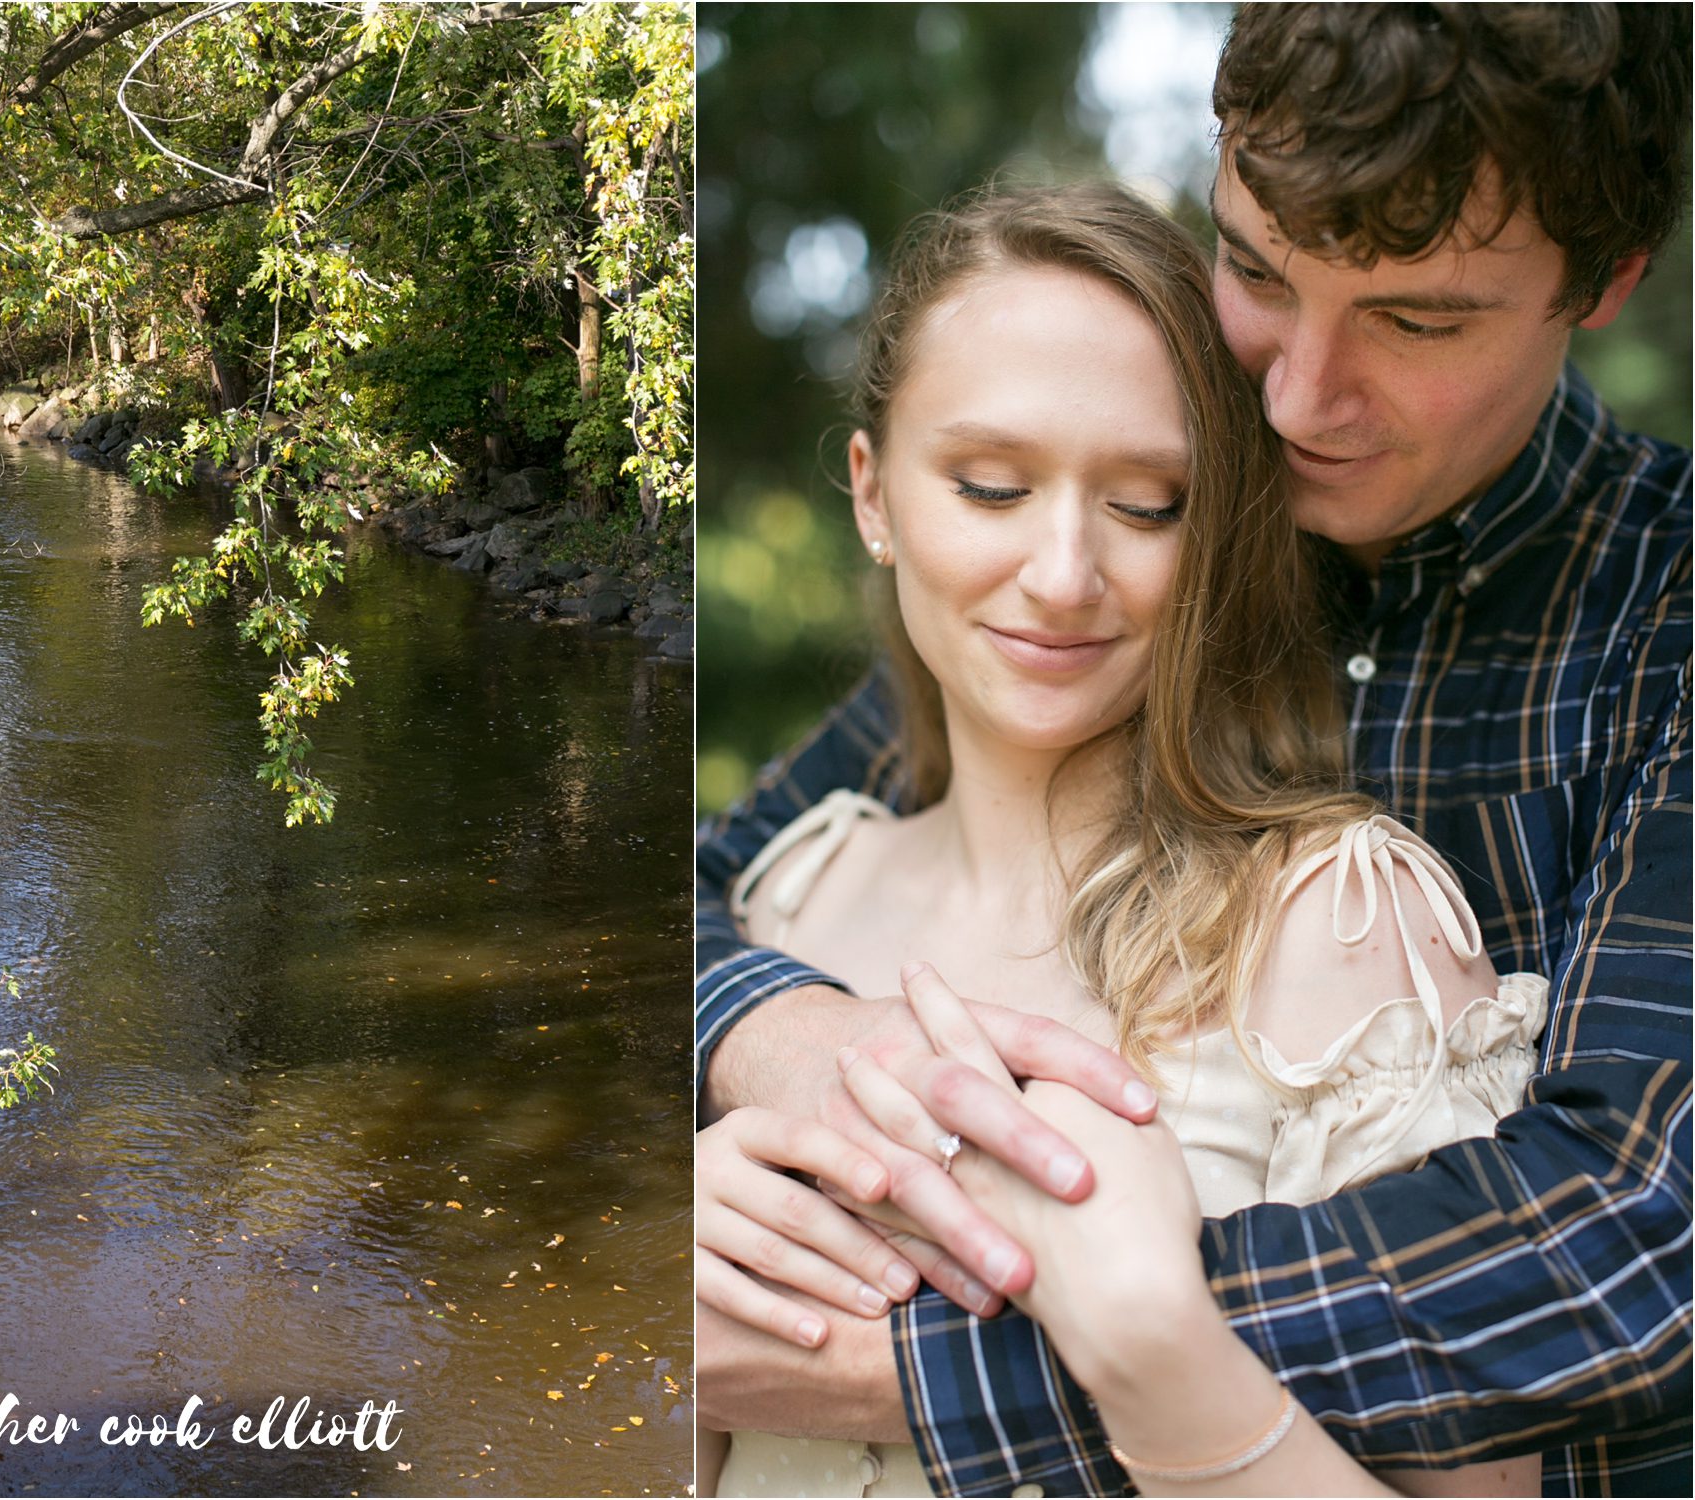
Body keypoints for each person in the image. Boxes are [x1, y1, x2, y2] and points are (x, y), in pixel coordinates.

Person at [695, 5, 1690, 1496]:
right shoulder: (1083, 600)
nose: (1292, 401)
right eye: (1256, 272)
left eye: (1418, 323)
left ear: (1602, 285)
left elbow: (1635, 1246)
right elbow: (713, 892)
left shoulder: (1662, 616)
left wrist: (923, 1359)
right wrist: (777, 1036)